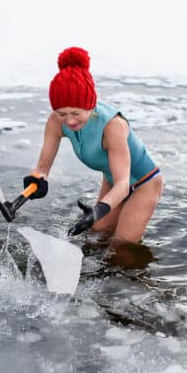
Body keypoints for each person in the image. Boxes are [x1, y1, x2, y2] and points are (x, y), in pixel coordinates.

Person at [24, 46, 164, 244]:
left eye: (75, 113)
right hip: (112, 178)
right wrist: (35, 181)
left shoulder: (112, 126)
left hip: (144, 182)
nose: (69, 121)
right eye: (62, 113)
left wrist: (98, 210)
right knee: (97, 232)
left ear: (90, 105)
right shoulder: (56, 122)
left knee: (122, 246)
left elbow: (123, 184)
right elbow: (42, 167)